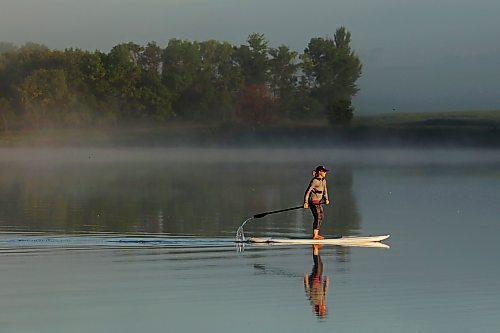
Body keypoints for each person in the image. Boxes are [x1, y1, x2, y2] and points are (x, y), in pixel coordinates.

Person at [304, 165, 330, 240]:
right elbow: (307, 192)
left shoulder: (324, 181)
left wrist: (326, 199)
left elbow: (325, 191)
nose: (325, 173)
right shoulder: (314, 181)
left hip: (318, 202)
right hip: (313, 202)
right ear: (320, 172)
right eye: (324, 171)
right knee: (318, 216)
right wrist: (306, 202)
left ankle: (316, 234)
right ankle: (315, 236)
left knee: (321, 216)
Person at [304, 244, 330, 318]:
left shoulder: (314, 302)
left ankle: (315, 247)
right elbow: (325, 291)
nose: (324, 307)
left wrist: (305, 281)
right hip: (319, 278)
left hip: (314, 280)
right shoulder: (323, 301)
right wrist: (326, 282)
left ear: (320, 310)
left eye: (323, 310)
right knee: (320, 265)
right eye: (324, 309)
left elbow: (308, 291)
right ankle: (315, 248)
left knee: (318, 265)